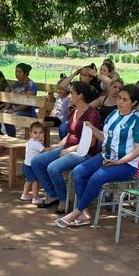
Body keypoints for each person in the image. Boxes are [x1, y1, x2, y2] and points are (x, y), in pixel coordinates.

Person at [57, 84, 139, 227]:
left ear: (134, 102)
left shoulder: (138, 121)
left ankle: (76, 212)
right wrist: (92, 129)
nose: (120, 102)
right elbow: (105, 138)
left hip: (126, 164)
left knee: (97, 177)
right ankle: (84, 212)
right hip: (105, 157)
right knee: (78, 172)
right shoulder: (113, 115)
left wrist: (119, 162)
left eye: (125, 99)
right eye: (119, 98)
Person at [32, 82, 102, 214]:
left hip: (83, 152)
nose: (69, 95)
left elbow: (91, 143)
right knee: (37, 162)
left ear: (80, 96)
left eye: (72, 93)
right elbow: (71, 131)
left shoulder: (92, 114)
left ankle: (63, 200)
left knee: (53, 167)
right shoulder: (73, 111)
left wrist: (69, 150)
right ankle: (52, 194)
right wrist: (62, 143)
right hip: (68, 147)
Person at [3, 63, 38, 137]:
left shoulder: (31, 85)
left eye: (19, 72)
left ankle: (11, 138)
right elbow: (11, 99)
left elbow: (27, 104)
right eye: (16, 71)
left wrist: (12, 111)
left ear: (25, 73)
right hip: (15, 110)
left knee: (9, 116)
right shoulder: (15, 84)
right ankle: (9, 138)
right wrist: (5, 108)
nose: (17, 74)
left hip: (28, 112)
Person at [20, 122, 46, 204]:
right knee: (35, 181)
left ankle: (24, 194)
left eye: (40, 132)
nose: (38, 135)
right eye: (35, 133)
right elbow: (44, 150)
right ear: (30, 133)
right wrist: (54, 148)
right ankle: (35, 198)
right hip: (31, 166)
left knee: (29, 180)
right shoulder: (36, 143)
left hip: (26, 165)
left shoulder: (30, 141)